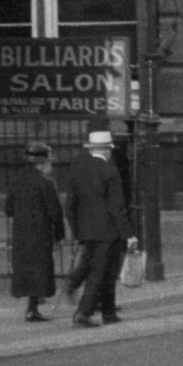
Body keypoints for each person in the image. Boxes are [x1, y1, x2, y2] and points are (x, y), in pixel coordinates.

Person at [60, 127, 129, 327]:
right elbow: (117, 207)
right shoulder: (110, 171)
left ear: (91, 149)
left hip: (87, 231)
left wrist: (77, 230)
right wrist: (128, 234)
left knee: (103, 271)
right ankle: (84, 312)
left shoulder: (77, 171)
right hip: (108, 231)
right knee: (102, 273)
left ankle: (109, 312)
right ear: (107, 150)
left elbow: (70, 205)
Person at [6, 140, 64, 323]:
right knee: (40, 268)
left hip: (21, 232)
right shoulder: (45, 183)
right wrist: (59, 234)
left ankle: (33, 306)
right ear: (41, 163)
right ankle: (33, 308)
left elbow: (8, 209)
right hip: (41, 232)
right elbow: (55, 212)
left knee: (27, 267)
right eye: (48, 161)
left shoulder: (16, 181)